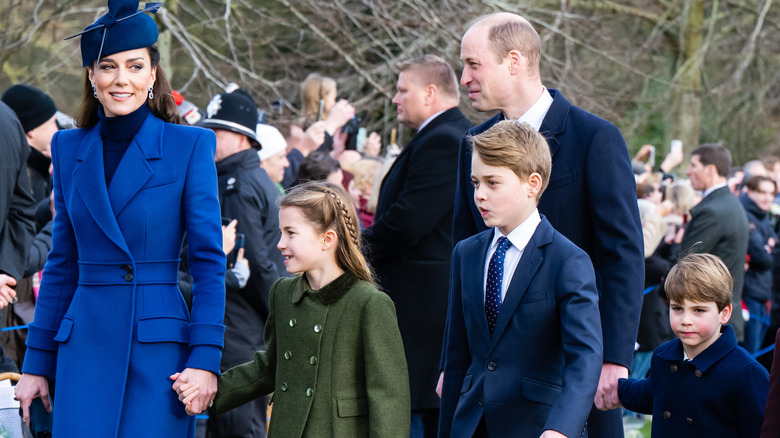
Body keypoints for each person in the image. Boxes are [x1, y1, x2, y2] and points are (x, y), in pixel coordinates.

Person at [14, 1, 227, 436]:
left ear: (152, 74)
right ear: (92, 76)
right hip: (83, 347)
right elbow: (61, 262)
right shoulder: (68, 148)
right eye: (108, 67)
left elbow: (208, 263)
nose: (121, 79)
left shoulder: (189, 146)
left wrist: (205, 356)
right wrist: (35, 363)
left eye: (134, 66)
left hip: (158, 353)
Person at [450, 12, 643, 436]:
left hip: (573, 367)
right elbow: (464, 257)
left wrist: (615, 357)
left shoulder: (594, 137)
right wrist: (454, 365)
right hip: (489, 385)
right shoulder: (473, 148)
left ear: (514, 61)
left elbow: (622, 254)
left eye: (473, 63)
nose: (464, 77)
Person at [177, 181, 411, 437]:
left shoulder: (369, 303)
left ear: (327, 239)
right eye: (280, 232)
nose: (280, 243)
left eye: (291, 233)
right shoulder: (283, 293)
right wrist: (208, 391)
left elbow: (388, 399)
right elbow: (268, 367)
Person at [439, 121, 602, 438]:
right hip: (471, 426)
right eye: (475, 183)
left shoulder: (568, 261)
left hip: (538, 427)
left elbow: (585, 359)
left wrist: (560, 429)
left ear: (532, 184)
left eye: (493, 183)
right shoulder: (466, 254)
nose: (480, 195)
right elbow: (456, 355)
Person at [361, 54, 471, 438]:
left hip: (423, 312)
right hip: (418, 308)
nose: (394, 98)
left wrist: (347, 247)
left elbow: (407, 223)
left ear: (429, 93)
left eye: (401, 90)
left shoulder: (445, 139)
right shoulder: (437, 136)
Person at [200, 89, 286, 438]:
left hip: (240, 326)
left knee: (238, 429)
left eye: (216, 133)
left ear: (239, 137)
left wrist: (276, 315)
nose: (210, 140)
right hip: (243, 324)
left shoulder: (239, 184)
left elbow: (252, 261)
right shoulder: (238, 177)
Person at [614, 253, 769, 437]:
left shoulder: (747, 373)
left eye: (699, 310)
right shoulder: (664, 355)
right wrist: (612, 387)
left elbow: (761, 431)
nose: (686, 320)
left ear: (724, 313)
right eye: (677, 308)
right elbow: (650, 395)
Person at [680, 144, 749, 341]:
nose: (688, 171)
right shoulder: (727, 203)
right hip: (718, 317)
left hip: (710, 323)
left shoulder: (713, 210)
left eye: (694, 165)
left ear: (710, 170)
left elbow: (685, 264)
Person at [1, 84, 59, 203]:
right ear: (31, 129)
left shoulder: (38, 167)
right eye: (53, 122)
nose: (57, 128)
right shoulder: (26, 177)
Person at [740, 175, 777, 353]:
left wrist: (768, 247)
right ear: (750, 191)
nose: (767, 197)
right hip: (749, 293)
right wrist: (767, 248)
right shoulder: (747, 215)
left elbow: (773, 244)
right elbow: (762, 257)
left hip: (763, 293)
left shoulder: (763, 215)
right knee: (749, 352)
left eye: (771, 193)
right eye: (762, 192)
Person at [256, 123, 291, 193]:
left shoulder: (276, 189)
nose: (287, 164)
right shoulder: (252, 195)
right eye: (281, 157)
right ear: (261, 162)